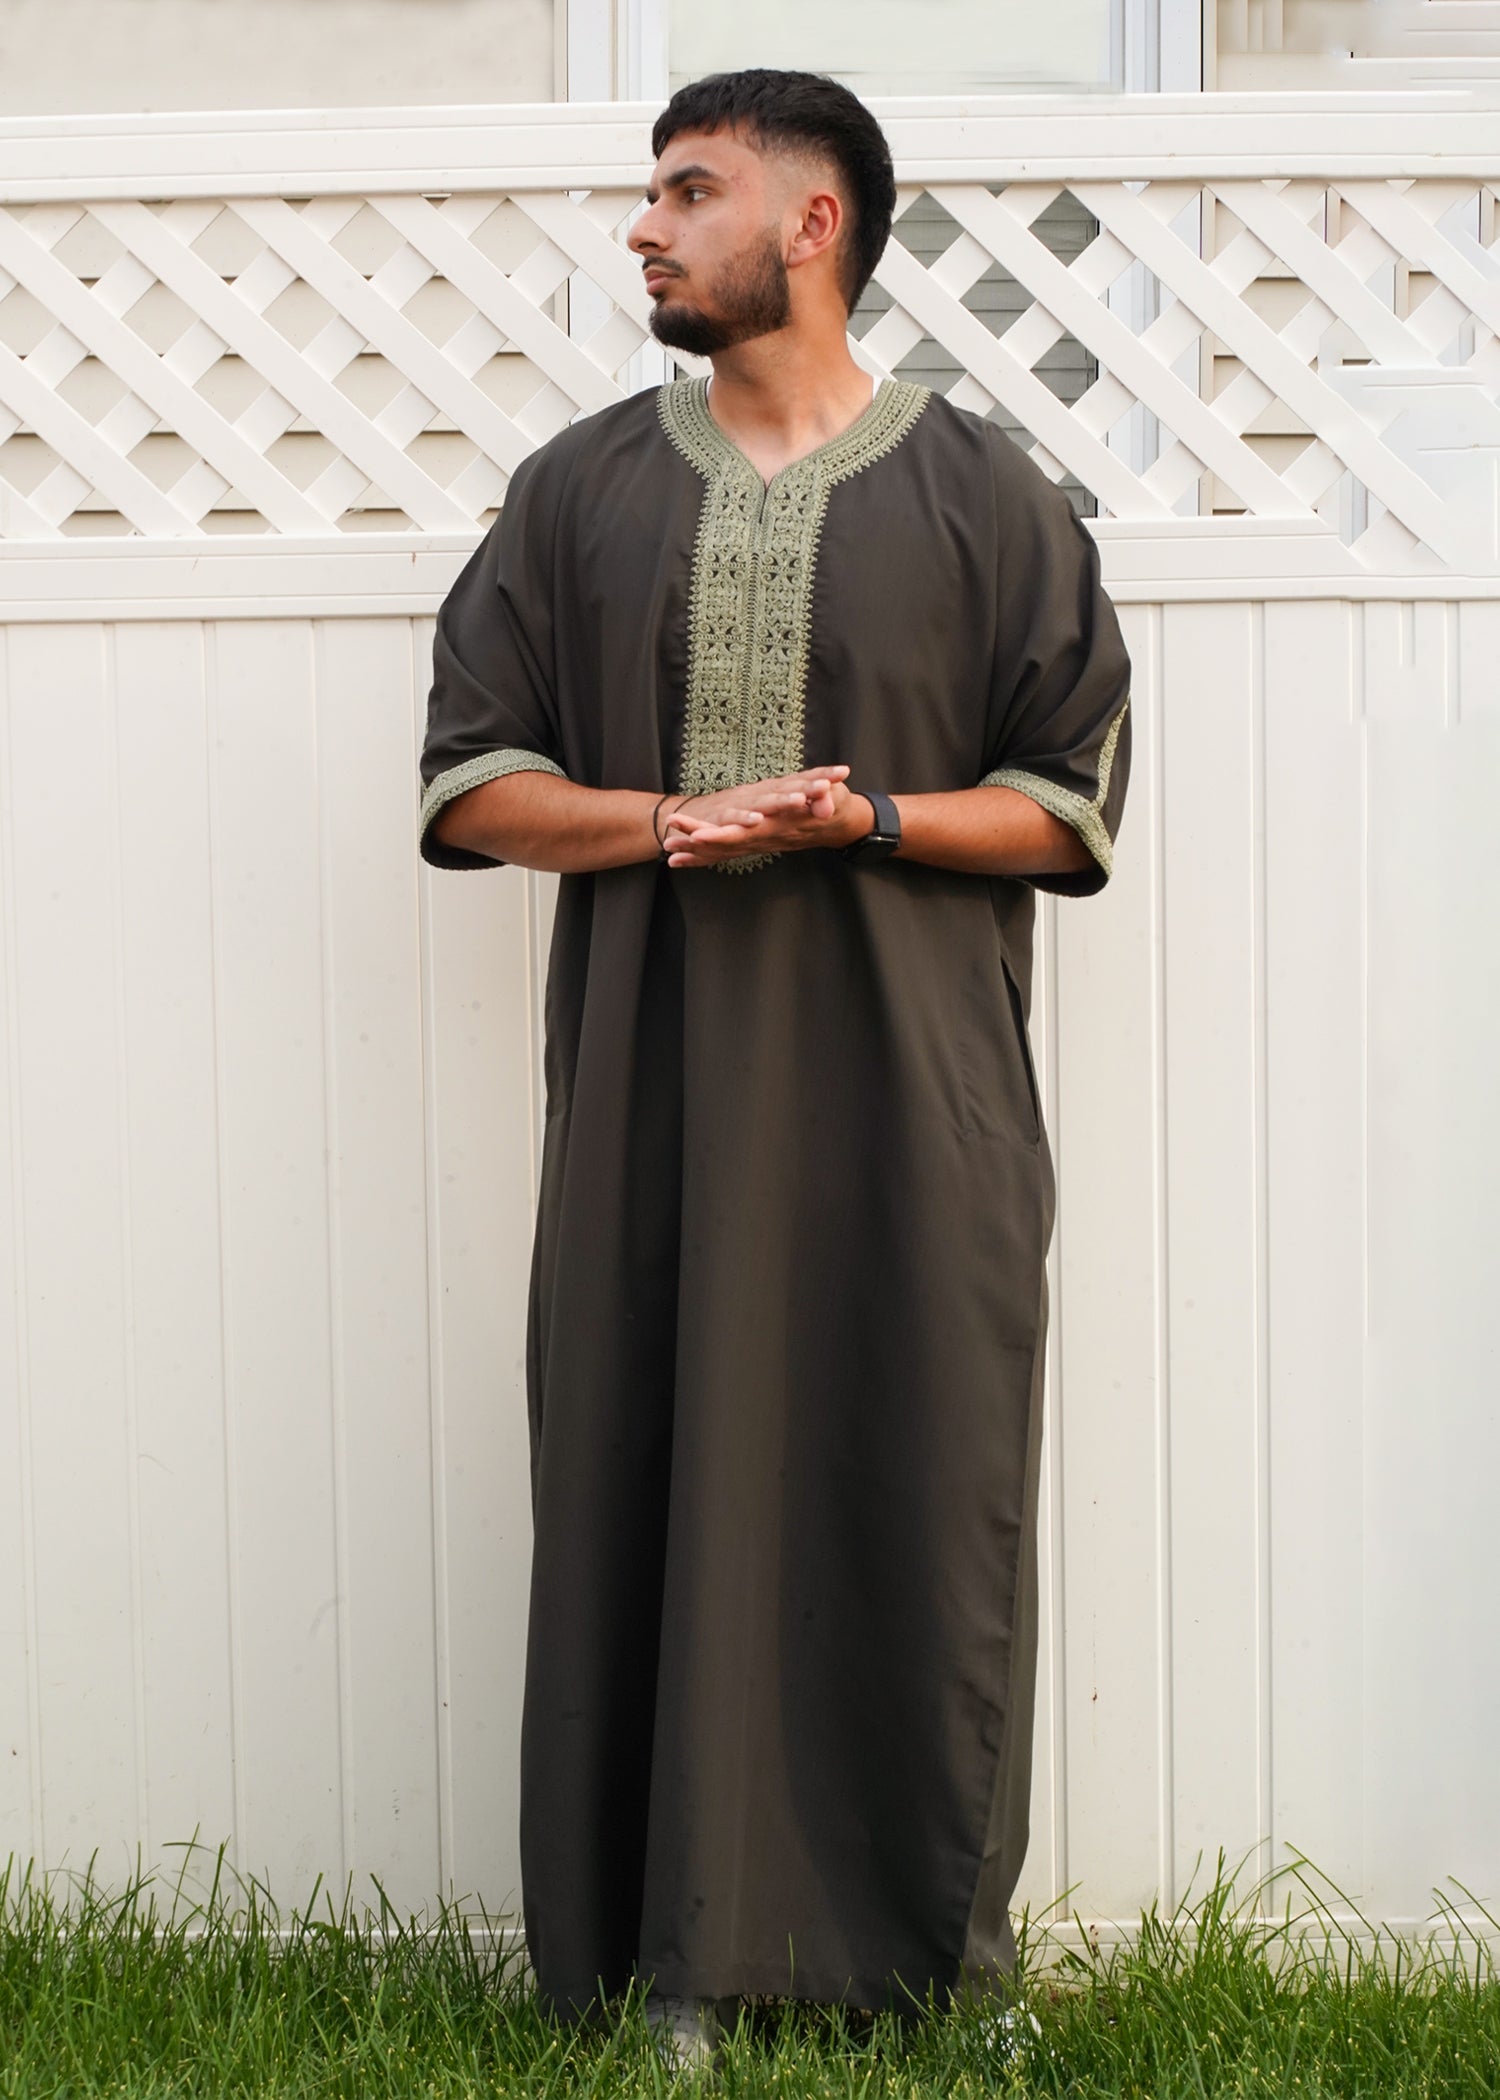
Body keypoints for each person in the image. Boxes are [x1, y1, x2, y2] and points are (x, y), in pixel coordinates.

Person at [418, 65, 1131, 2072]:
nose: (643, 226)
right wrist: (668, 824)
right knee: (648, 1470)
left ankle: (935, 1962)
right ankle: (667, 1969)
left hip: (921, 1120)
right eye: (652, 192)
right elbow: (475, 784)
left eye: (685, 190)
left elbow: (1066, 807)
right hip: (653, 1112)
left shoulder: (991, 500)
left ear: (809, 225)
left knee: (923, 1483)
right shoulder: (582, 493)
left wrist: (868, 823)